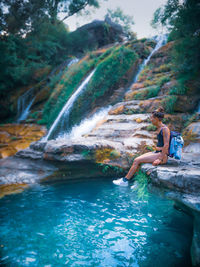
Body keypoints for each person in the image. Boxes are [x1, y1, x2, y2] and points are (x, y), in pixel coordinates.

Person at [113, 107, 170, 186]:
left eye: (151, 118)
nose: (150, 119)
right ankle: (137, 182)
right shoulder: (159, 128)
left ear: (156, 118)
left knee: (137, 160)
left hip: (162, 156)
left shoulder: (164, 129)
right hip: (158, 153)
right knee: (137, 160)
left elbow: (166, 144)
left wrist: (159, 159)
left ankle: (125, 181)